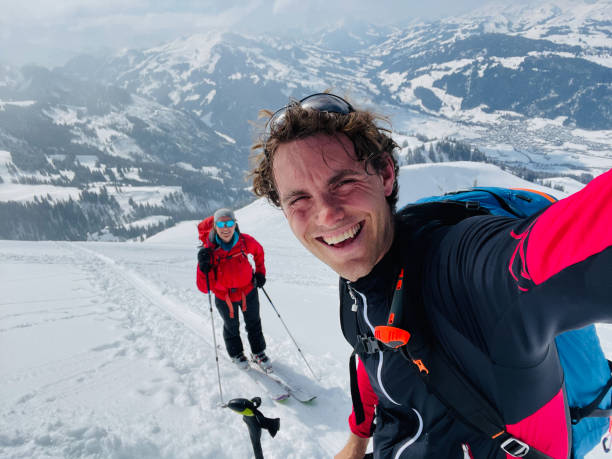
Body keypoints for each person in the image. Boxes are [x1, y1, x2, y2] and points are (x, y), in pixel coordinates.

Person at [249, 92, 612, 458]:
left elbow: (561, 246)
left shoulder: (464, 270)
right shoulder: (361, 281)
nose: (327, 215)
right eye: (299, 200)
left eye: (342, 183)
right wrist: (357, 439)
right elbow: (371, 356)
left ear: (386, 174)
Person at [196, 208, 270, 370]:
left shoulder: (244, 241)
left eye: (229, 223)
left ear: (235, 224)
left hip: (248, 291)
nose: (226, 228)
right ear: (215, 226)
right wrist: (203, 266)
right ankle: (236, 354)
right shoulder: (208, 251)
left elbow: (258, 252)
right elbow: (204, 288)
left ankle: (258, 352)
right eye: (221, 224)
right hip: (224, 297)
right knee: (231, 326)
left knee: (254, 323)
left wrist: (260, 273)